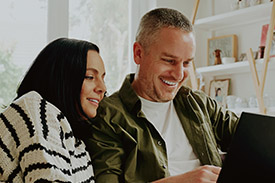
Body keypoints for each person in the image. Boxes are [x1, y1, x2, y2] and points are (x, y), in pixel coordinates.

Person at [85, 8, 239, 183]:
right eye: (169, 61)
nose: (179, 74)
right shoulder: (108, 116)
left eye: (187, 63)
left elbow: (251, 138)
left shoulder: (198, 103)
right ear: (138, 53)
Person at [0, 38, 106, 182]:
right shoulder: (35, 109)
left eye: (103, 78)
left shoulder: (77, 144)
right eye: (90, 77)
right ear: (63, 78)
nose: (102, 88)